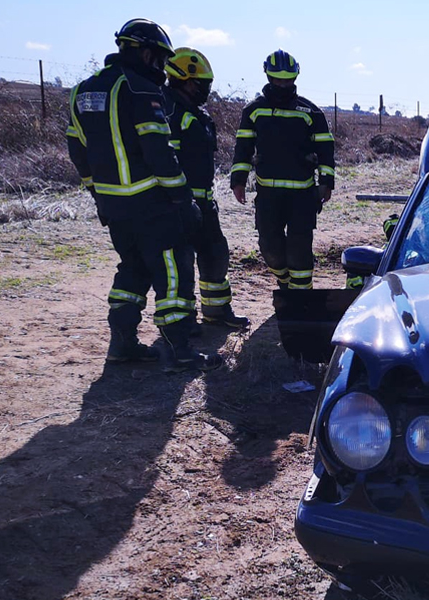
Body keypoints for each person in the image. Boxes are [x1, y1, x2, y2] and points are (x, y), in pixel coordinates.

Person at [66, 18, 222, 372]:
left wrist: (96, 192)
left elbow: (78, 149)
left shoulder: (82, 92)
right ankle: (180, 351)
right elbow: (158, 152)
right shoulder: (140, 90)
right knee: (173, 272)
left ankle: (122, 345)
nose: (162, 70)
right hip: (152, 203)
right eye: (160, 60)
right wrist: (183, 198)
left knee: (132, 270)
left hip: (112, 203)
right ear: (147, 53)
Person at [230, 50, 335, 291]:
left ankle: (301, 298)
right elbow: (243, 149)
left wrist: (326, 182)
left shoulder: (311, 112)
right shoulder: (254, 111)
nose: (283, 84)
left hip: (303, 195)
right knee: (270, 248)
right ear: (268, 77)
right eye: (278, 80)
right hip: (268, 195)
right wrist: (238, 181)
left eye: (288, 80)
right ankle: (286, 282)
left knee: (299, 250)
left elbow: (326, 151)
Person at [162, 47, 250, 330]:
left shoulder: (195, 112)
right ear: (184, 80)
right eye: (202, 84)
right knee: (183, 264)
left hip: (204, 202)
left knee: (215, 255)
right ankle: (183, 324)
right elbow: (163, 160)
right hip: (177, 204)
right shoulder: (168, 111)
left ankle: (216, 311)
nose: (206, 90)